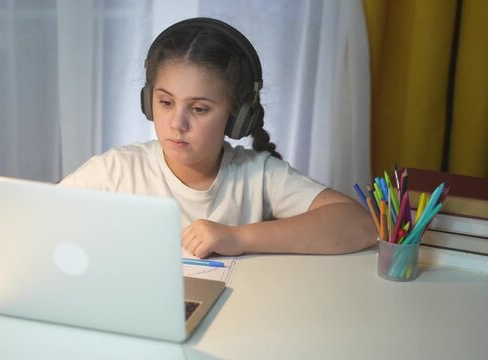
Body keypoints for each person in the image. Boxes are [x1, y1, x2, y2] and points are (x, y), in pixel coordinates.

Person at [59, 17, 375, 258]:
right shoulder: (116, 171)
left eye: (198, 109)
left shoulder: (258, 176)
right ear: (148, 100)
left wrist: (237, 237)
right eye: (166, 103)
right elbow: (37, 223)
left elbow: (359, 225)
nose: (176, 123)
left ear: (237, 117)